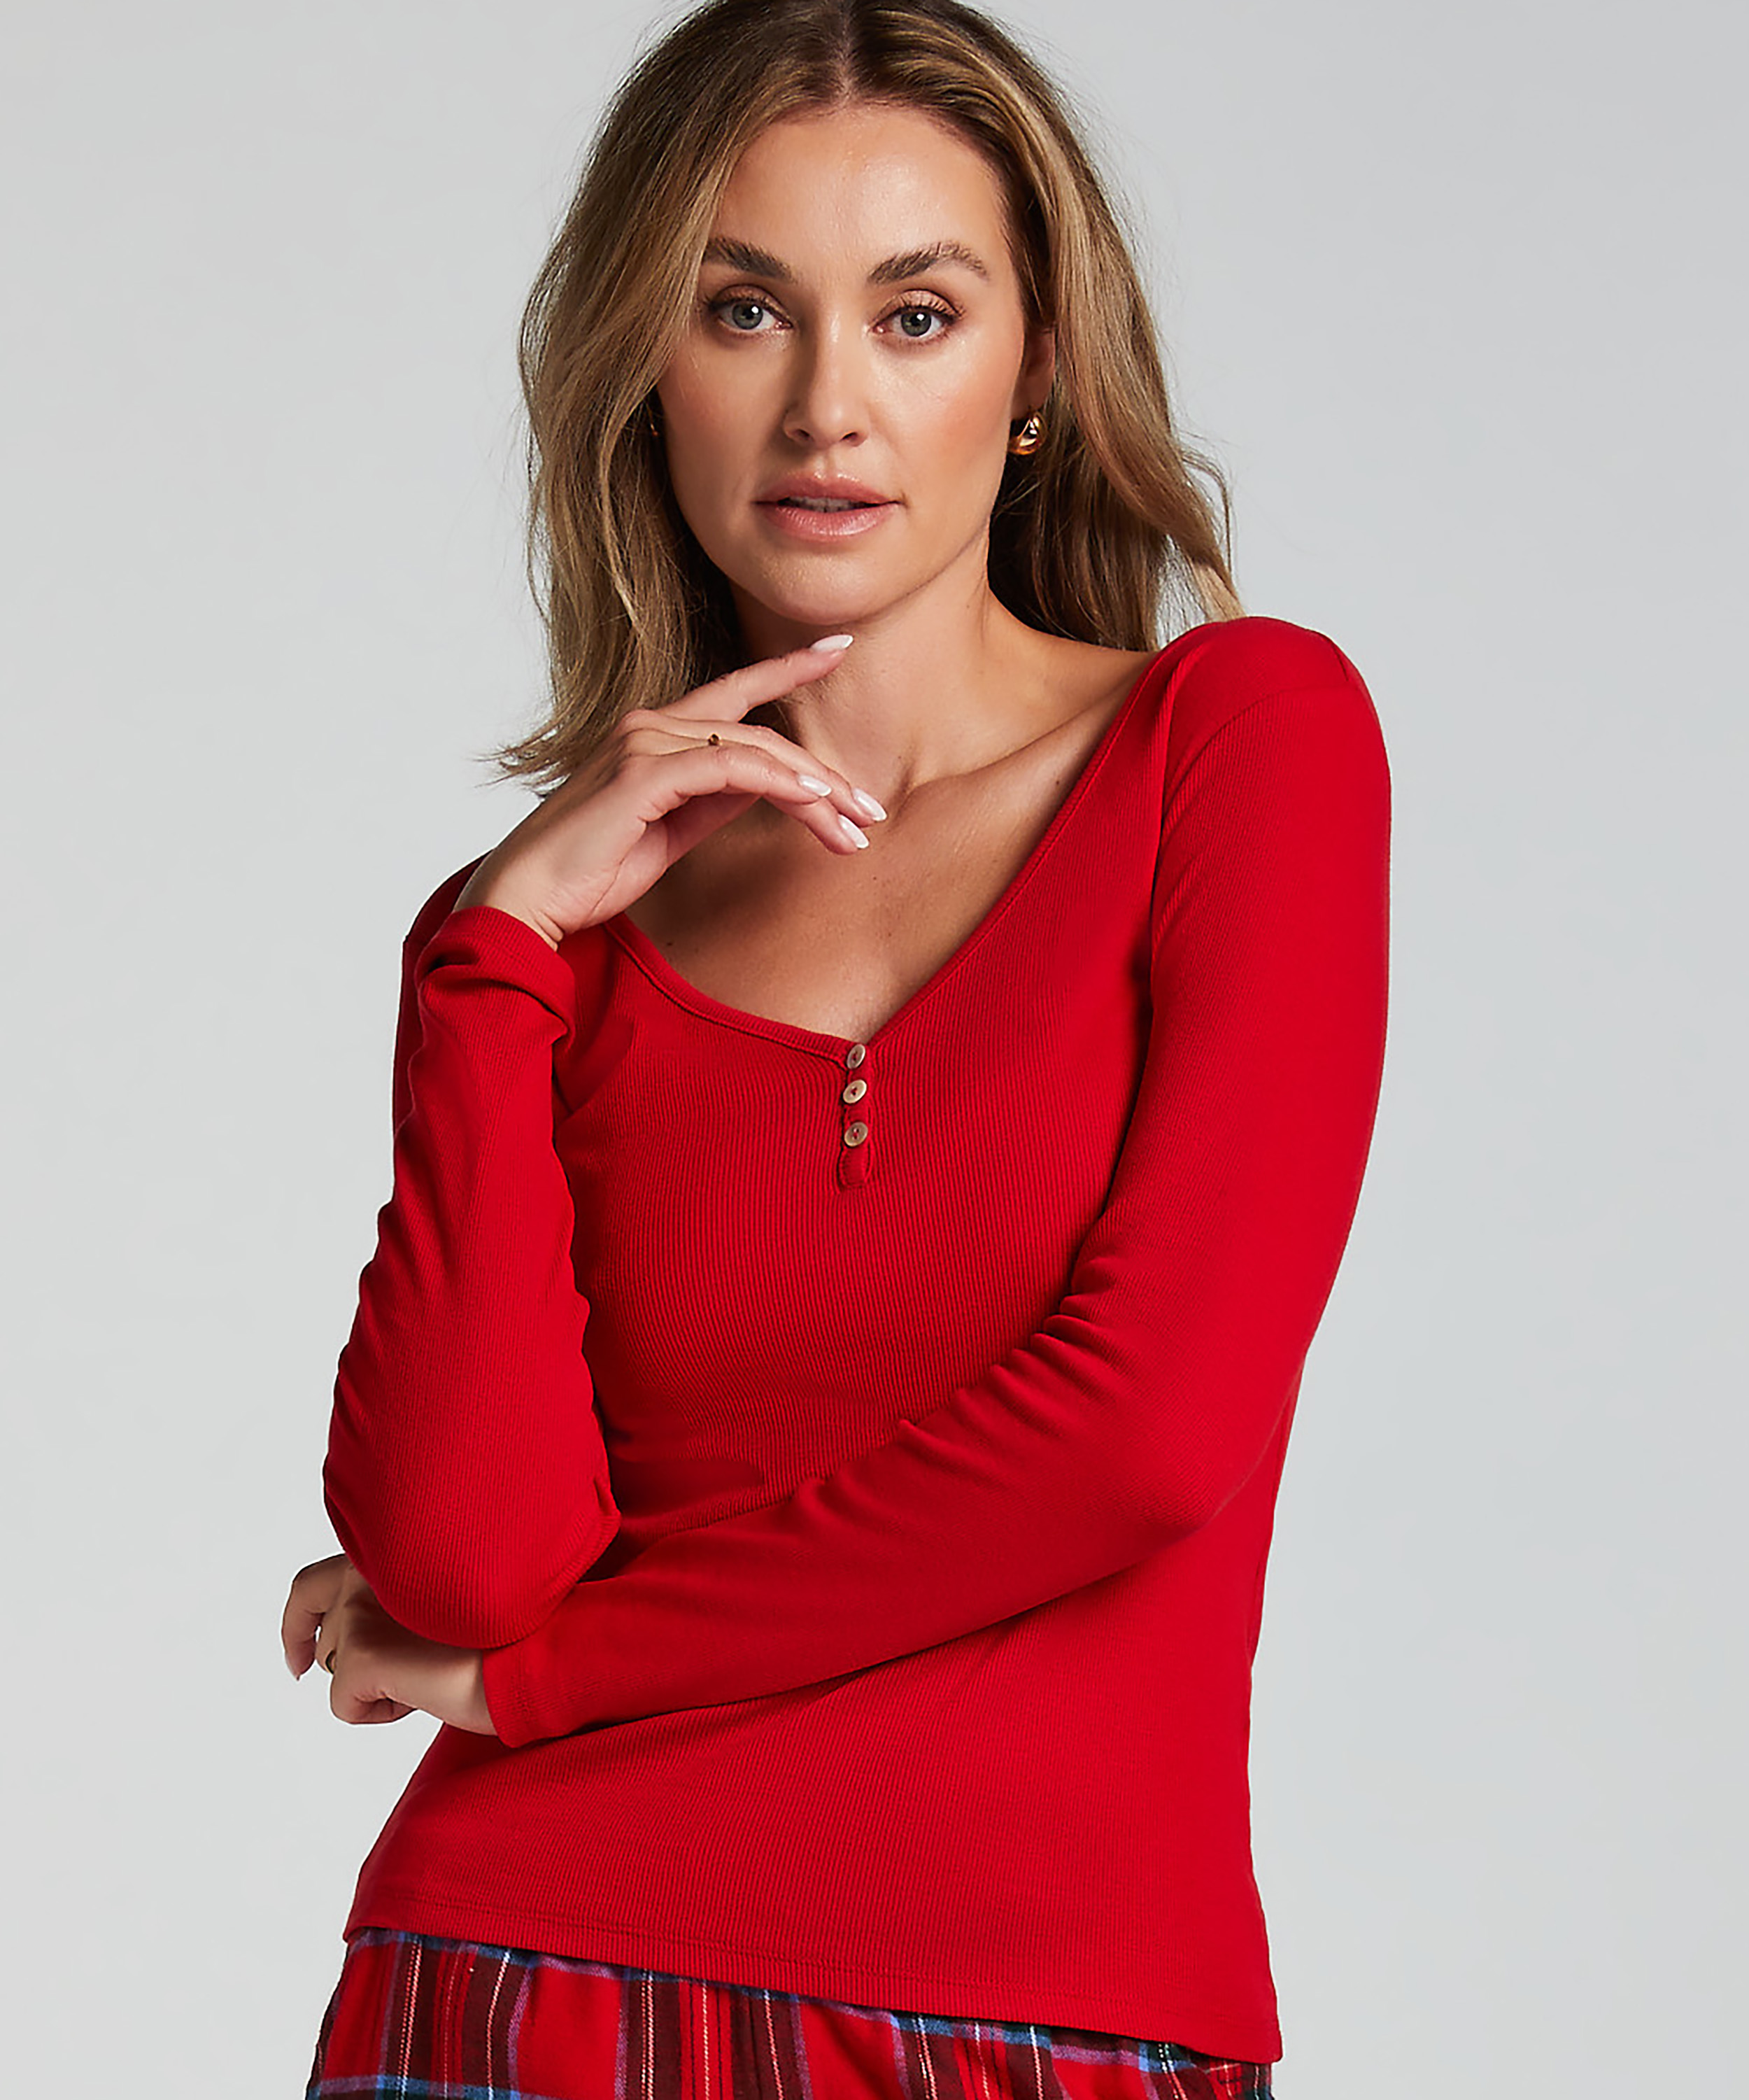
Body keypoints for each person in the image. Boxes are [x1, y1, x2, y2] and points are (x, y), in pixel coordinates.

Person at [279, 1, 1392, 2093]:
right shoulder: (545, 938)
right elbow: (462, 1557)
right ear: (644, 369)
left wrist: (549, 1678)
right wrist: (490, 954)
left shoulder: (1237, 742)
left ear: (1035, 369)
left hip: (1051, 2009)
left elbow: (1140, 1440)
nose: (825, 406)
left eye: (914, 314)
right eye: (741, 309)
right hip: (519, 1983)